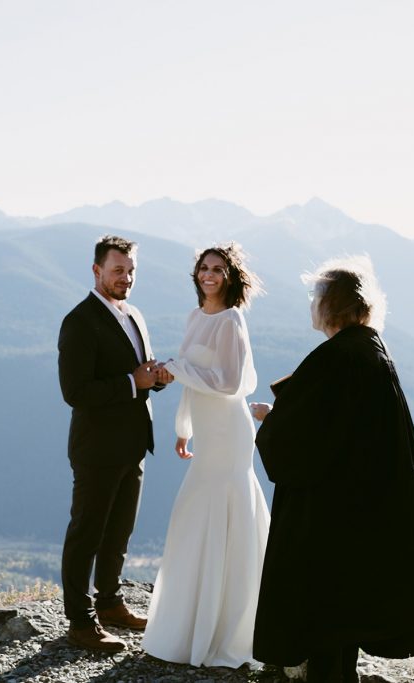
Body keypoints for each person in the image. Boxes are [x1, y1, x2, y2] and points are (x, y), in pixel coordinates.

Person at [250, 255, 414, 683]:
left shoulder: (339, 357)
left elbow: (307, 440)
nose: (313, 303)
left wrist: (271, 420)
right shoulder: (367, 349)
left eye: (318, 296)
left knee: (326, 625)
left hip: (331, 517)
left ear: (331, 304)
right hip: (358, 509)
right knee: (339, 628)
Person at [141, 243, 271, 668]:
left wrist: (178, 368)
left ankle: (227, 629)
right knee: (194, 516)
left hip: (230, 434)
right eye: (203, 268)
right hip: (206, 431)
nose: (209, 274)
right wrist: (184, 428)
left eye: (217, 269)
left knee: (223, 510)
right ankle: (191, 621)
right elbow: (191, 378)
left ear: (230, 277)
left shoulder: (232, 321)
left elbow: (232, 384)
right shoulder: (195, 317)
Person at [58, 234, 174, 652]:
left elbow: (137, 373)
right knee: (86, 534)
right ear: (96, 271)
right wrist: (132, 382)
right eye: (117, 270)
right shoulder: (79, 321)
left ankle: (109, 602)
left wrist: (154, 378)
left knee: (119, 534)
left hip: (133, 444)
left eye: (130, 271)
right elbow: (75, 392)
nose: (125, 278)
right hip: (96, 448)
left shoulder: (134, 315)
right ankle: (81, 622)